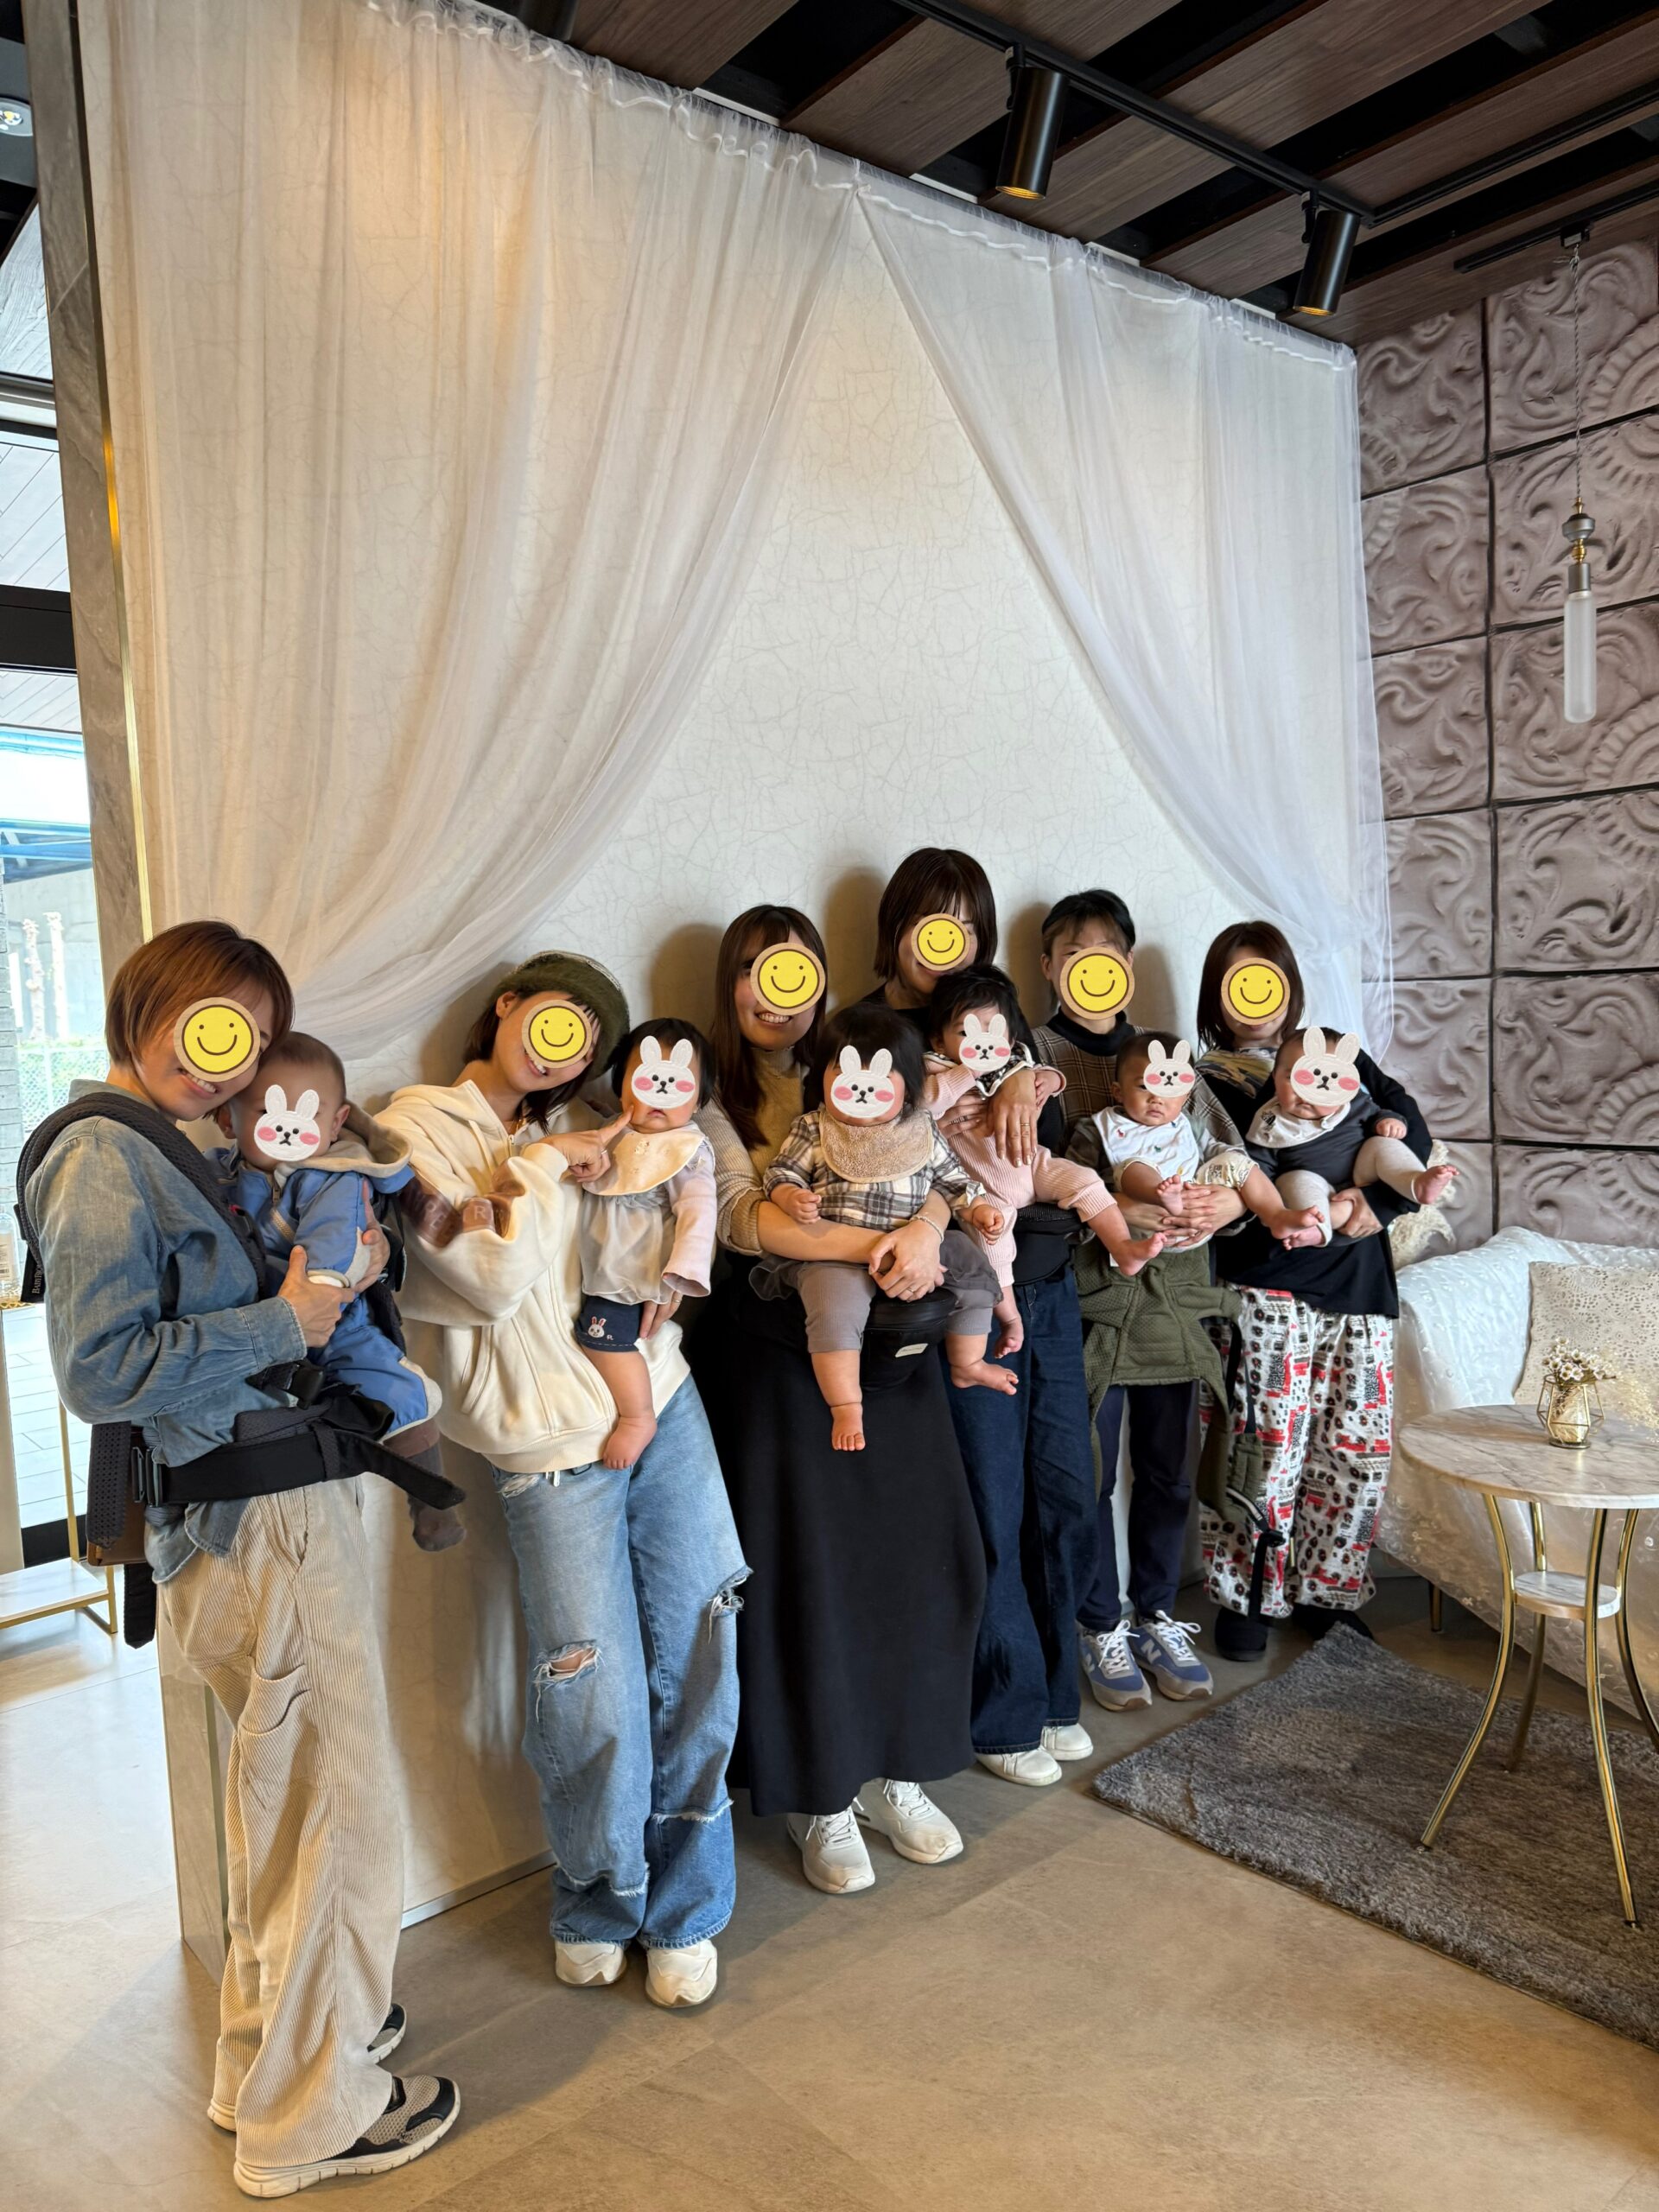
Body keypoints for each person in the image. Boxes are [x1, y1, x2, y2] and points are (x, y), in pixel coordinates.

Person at [25, 920, 460, 2197]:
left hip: (244, 1517)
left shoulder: (171, 1150)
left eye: (250, 1042)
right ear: (147, 1007)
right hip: (257, 1522)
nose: (226, 1062)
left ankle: (264, 2070)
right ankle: (314, 2117)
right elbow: (101, 1372)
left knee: (287, 1809)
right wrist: (288, 1319)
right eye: (210, 1026)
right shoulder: (105, 1155)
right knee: (336, 1813)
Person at [378, 951, 747, 2008]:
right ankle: (597, 1897)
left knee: (703, 1643)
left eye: (588, 1040)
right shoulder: (413, 1131)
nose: (565, 1050)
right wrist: (545, 1164)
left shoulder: (591, 1130)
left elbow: (676, 1189)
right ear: (508, 1005)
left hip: (662, 1400)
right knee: (592, 1683)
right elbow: (484, 1275)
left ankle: (687, 1907)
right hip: (548, 1446)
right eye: (557, 1019)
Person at [695, 903, 982, 1895]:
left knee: (915, 1562)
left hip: (899, 1356)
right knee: (808, 1578)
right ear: (732, 984)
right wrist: (889, 1243)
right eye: (757, 971)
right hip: (781, 1362)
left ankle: (897, 1769)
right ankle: (821, 1793)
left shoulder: (877, 1062)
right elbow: (744, 1221)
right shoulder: (711, 1095)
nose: (779, 993)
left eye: (798, 971)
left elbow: (936, 1162)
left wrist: (931, 1226)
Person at [869, 853, 1099, 1789]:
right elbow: (881, 1154)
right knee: (993, 1502)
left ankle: (1055, 1695)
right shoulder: (879, 1036)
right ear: (897, 928)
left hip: (1050, 1287)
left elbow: (1058, 1136)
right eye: (933, 921)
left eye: (966, 924)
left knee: (1066, 1493)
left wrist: (1020, 1078)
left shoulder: (1003, 1027)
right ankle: (1005, 1712)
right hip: (962, 1301)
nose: (949, 941)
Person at [1192, 922, 1432, 1657]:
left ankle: (1328, 1593)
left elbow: (1408, 1132)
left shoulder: (1336, 1052)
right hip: (1265, 1285)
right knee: (1262, 1444)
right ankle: (1247, 1597)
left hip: (1359, 1281)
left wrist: (1374, 1204)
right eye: (1237, 982)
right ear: (1216, 995)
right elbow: (1218, 1172)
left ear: (1289, 986)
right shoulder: (1203, 1080)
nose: (1254, 997)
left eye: (1266, 979)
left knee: (1353, 1449)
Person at [1038, 891, 1246, 1718]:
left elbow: (1231, 1158)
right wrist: (1115, 1208)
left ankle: (1158, 1613)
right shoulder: (1035, 1055)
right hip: (1089, 1297)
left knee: (1166, 1468)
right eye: (1073, 953)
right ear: (1049, 967)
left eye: (1108, 953)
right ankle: (1100, 1623)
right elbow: (1033, 1175)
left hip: (1177, 1300)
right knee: (1090, 1468)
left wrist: (1226, 1204)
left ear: (1126, 964)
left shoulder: (1167, 1056)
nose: (1093, 968)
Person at [211, 1027, 462, 1551]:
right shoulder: (214, 1176)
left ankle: (431, 1502)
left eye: (307, 1113)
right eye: (266, 1111)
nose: (287, 1127)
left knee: (396, 1389)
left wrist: (322, 1286)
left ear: (336, 1122)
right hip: (253, 1328)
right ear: (226, 1118)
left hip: (337, 1316)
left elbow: (335, 1231)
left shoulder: (335, 1176)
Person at [760, 1003, 1011, 1448]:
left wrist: (976, 1209)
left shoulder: (921, 1128)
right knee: (832, 1307)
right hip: (838, 1253)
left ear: (909, 1086)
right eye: (844, 1070)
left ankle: (968, 1361)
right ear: (822, 1076)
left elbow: (952, 1181)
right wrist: (790, 1196)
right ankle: (845, 1404)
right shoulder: (815, 1128)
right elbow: (780, 1174)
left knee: (972, 1265)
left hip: (920, 1244)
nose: (862, 1087)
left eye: (880, 1074)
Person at [921, 963, 1156, 1354]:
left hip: (1032, 1164)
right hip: (979, 1185)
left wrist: (1048, 1080)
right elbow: (926, 1103)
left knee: (1085, 1181)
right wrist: (968, 1071)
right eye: (966, 1033)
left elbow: (1046, 1073)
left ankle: (1122, 1246)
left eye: (993, 1032)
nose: (982, 1043)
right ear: (939, 1041)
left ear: (1011, 1038)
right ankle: (1010, 1317)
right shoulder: (937, 1068)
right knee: (993, 1236)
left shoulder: (1013, 1061)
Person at [574, 1019, 717, 1468]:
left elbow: (699, 1210)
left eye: (677, 1084)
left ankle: (638, 1417)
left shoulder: (686, 1150)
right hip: (605, 1263)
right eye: (646, 1079)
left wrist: (683, 1273)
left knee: (601, 1338)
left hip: (635, 1272)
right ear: (623, 1090)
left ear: (698, 1100)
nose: (660, 1092)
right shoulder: (615, 1132)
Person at [1083, 1027, 1322, 1246]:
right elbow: (1076, 1179)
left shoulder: (1189, 1125)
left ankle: (1276, 1215)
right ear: (1118, 1092)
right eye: (1144, 1087)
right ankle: (1159, 1194)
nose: (1157, 1098)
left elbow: (1214, 1149)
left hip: (1198, 1215)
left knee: (1236, 1161)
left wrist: (1234, 1178)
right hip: (1137, 1224)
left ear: (1185, 1097)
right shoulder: (1098, 1128)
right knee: (1133, 1166)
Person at [1242, 1026, 1455, 1244]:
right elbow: (1259, 1172)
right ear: (1275, 1078)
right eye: (1296, 1078)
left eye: (1326, 1082)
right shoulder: (1268, 1125)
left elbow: (1380, 1113)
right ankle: (1315, 1230)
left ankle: (1415, 1182)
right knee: (1293, 1180)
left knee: (1381, 1145)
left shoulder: (1353, 1104)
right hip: (1321, 1200)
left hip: (1366, 1176)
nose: (1308, 1094)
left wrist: (1389, 1122)